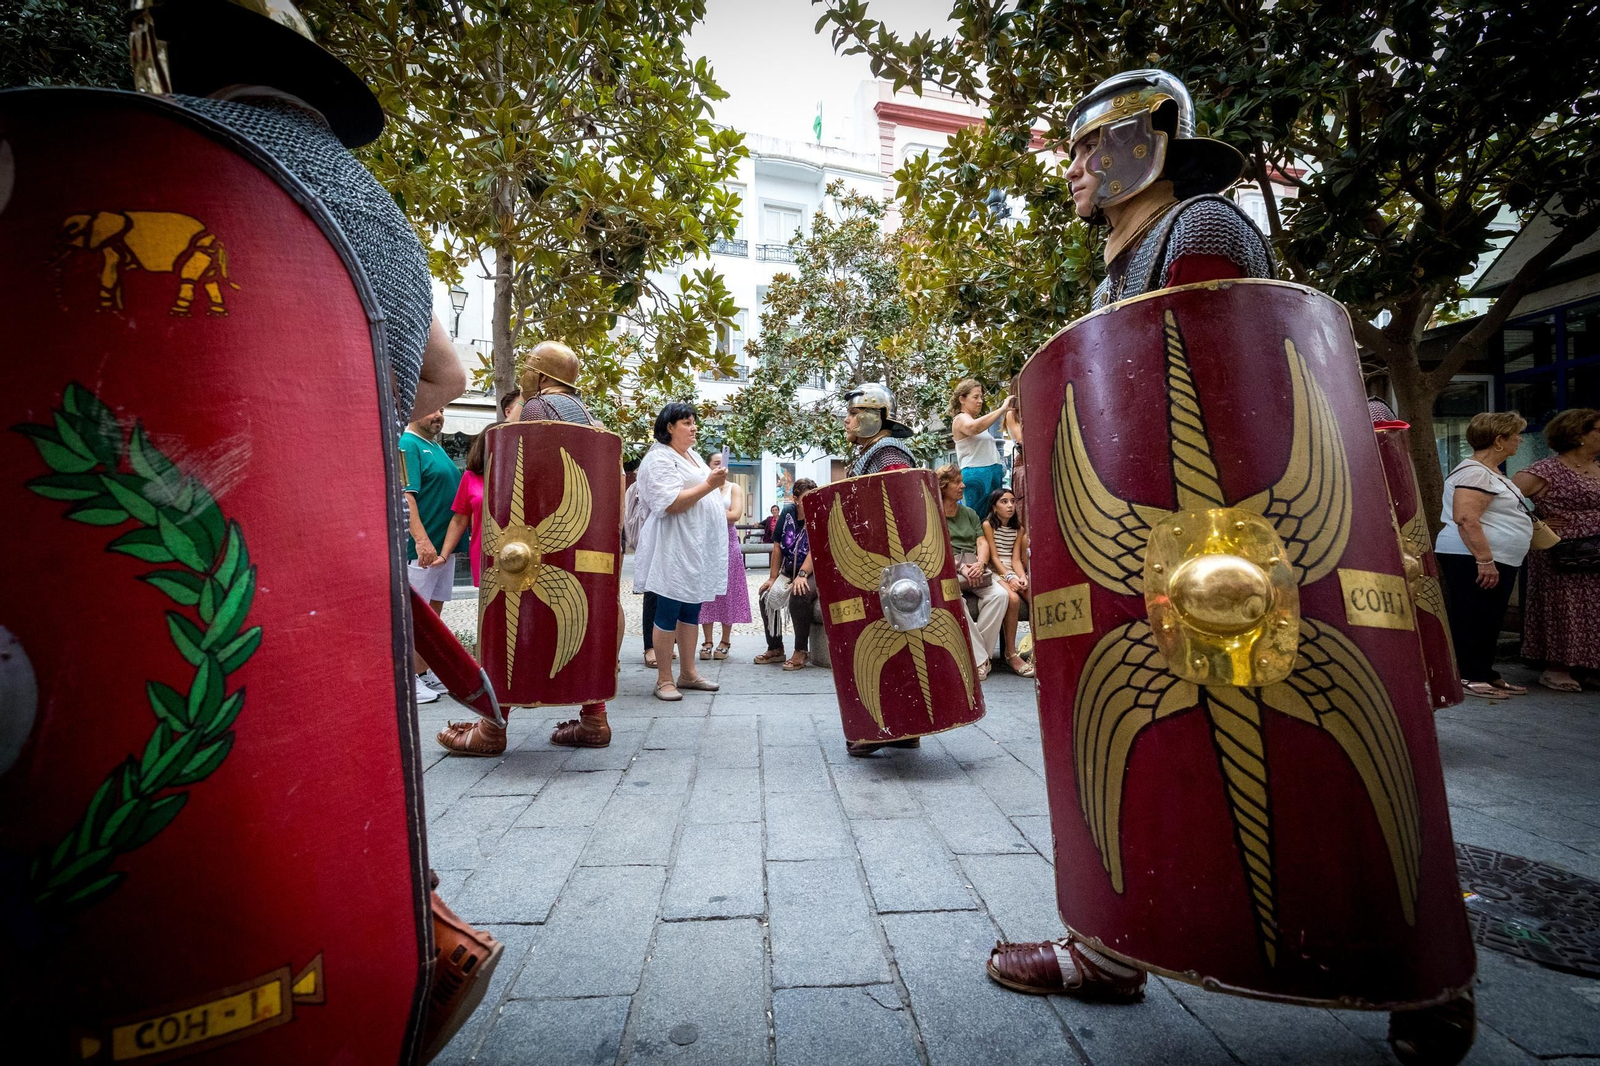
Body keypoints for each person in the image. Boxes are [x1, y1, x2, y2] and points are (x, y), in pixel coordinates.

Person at [133, 1, 489, 1056]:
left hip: (181, 522)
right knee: (344, 755)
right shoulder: (376, 210)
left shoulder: (170, 162)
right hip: (344, 531)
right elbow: (450, 379)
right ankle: (410, 942)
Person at [987, 68, 1274, 1004]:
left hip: (1223, 544)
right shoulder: (1132, 249)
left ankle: (1393, 950)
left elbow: (1215, 396)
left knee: (1248, 742)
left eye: (1083, 149)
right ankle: (1115, 945)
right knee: (1147, 736)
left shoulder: (1202, 228)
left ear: (1138, 143)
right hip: (1154, 545)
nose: (1070, 169)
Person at [437, 340, 622, 752]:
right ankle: (594, 719)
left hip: (530, 549)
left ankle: (491, 729)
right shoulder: (586, 416)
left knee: (511, 605)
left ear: (539, 376)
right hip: (581, 553)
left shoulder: (538, 409)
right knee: (582, 620)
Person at [1435, 412, 1534, 700]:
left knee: (1489, 616)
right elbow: (1466, 518)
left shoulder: (1490, 472)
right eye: (1514, 435)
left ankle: (1485, 672)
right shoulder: (1475, 472)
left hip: (1495, 556)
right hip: (1472, 556)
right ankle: (1468, 674)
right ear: (1499, 440)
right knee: (1472, 614)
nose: (1519, 440)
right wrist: (1484, 559)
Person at [634, 402, 727, 701]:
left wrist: (711, 479)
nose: (694, 427)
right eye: (687, 422)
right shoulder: (658, 458)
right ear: (669, 427)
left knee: (691, 609)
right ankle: (664, 679)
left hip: (695, 546)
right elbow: (670, 502)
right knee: (668, 609)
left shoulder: (692, 455)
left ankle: (688, 673)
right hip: (674, 546)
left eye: (694, 422)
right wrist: (711, 484)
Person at [1513, 408, 1600, 692]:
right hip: (1561, 551)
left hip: (1596, 551)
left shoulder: (1598, 467)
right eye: (1598, 430)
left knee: (1594, 609)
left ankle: (1589, 666)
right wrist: (1534, 521)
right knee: (1565, 608)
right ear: (1578, 435)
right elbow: (1501, 500)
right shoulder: (1546, 470)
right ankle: (1556, 667)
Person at [400, 408, 462, 704]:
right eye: (431, 409)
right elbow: (406, 495)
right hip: (422, 550)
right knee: (414, 615)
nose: (438, 415)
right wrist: (421, 540)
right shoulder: (407, 444)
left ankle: (423, 672)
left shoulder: (435, 445)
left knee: (432, 615)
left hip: (443, 550)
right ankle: (407, 678)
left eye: (441, 410)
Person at [937, 465, 1008, 682]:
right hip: (951, 571)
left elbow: (981, 541)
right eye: (957, 482)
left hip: (976, 568)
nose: (963, 485)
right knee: (955, 601)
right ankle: (979, 660)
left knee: (1000, 595)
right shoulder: (934, 515)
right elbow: (938, 549)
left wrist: (980, 563)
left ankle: (977, 659)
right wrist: (961, 568)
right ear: (943, 486)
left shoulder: (969, 513)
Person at [756, 479, 819, 668]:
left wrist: (802, 574)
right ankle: (775, 648)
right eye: (805, 498)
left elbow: (815, 548)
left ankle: (801, 651)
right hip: (789, 568)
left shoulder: (818, 512)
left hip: (813, 570)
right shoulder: (787, 513)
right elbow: (777, 545)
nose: (810, 502)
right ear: (795, 499)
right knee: (766, 595)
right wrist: (773, 577)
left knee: (800, 593)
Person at [698, 452, 753, 660]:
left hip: (728, 543)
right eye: (715, 463)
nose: (720, 466)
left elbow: (735, 515)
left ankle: (725, 640)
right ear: (709, 466)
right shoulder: (703, 487)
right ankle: (707, 640)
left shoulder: (733, 488)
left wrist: (710, 514)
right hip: (705, 543)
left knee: (728, 591)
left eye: (723, 463)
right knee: (706, 592)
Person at [982, 487, 1034, 678]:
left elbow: (1015, 560)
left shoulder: (1018, 528)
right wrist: (1009, 578)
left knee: (1033, 596)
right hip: (996, 571)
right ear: (994, 507)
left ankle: (1038, 648)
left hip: (1012, 569)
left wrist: (1022, 577)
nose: (1010, 505)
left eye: (1012, 501)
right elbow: (994, 558)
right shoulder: (988, 525)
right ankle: (1010, 652)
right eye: (1004, 502)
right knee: (1012, 599)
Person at [951, 378, 1013, 519]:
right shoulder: (960, 419)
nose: (980, 401)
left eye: (981, 397)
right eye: (975, 397)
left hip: (990, 475)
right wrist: (1002, 409)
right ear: (962, 399)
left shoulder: (974, 421)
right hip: (977, 475)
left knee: (993, 520)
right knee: (979, 519)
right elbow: (974, 428)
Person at [434, 429, 486, 588]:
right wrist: (444, 555)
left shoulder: (521, 475)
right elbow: (459, 519)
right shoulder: (471, 477)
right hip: (484, 553)